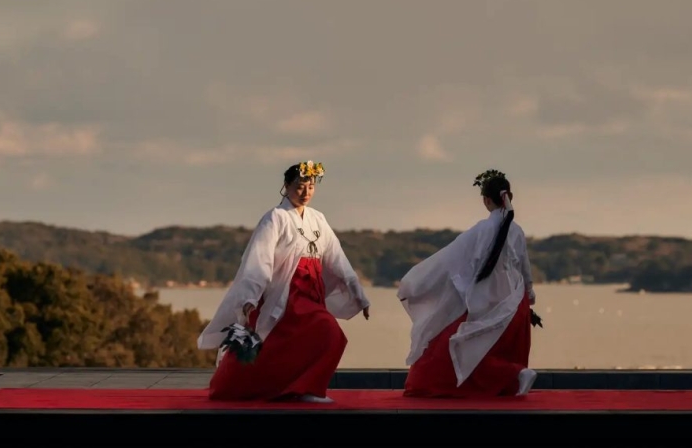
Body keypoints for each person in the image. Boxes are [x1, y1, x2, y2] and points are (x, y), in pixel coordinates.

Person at [197, 161, 370, 402]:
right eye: (300, 186)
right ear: (286, 186)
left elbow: (337, 259)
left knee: (310, 339)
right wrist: (250, 297)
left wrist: (359, 296)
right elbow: (259, 260)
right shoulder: (275, 218)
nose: (305, 192)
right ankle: (300, 388)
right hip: (287, 293)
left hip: (311, 293)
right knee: (327, 332)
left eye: (310, 187)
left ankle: (302, 388)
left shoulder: (318, 219)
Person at [399, 169, 538, 398]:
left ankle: (515, 374)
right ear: (509, 197)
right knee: (487, 351)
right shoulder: (517, 232)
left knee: (452, 352)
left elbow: (448, 261)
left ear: (486, 200)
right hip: (516, 305)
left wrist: (413, 285)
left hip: (487, 304)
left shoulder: (481, 230)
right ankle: (513, 376)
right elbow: (525, 271)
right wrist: (529, 298)